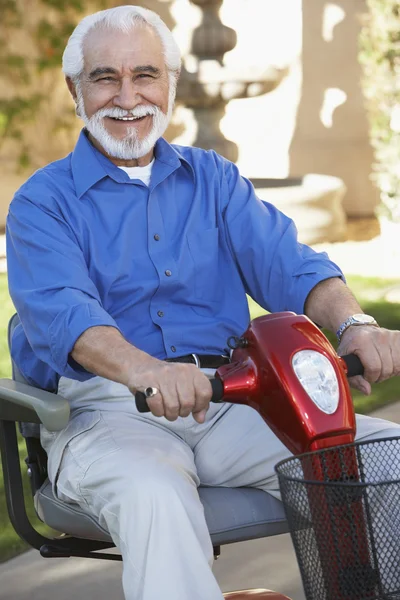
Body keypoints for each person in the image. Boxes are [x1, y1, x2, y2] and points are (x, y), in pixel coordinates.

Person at [6, 5, 400, 600]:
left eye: (145, 74)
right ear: (74, 90)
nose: (128, 96)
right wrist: (151, 372)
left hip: (233, 403)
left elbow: (289, 262)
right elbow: (69, 316)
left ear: (170, 82)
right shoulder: (43, 204)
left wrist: (356, 323)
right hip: (107, 412)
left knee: (385, 463)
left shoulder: (213, 178)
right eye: (105, 77)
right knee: (154, 493)